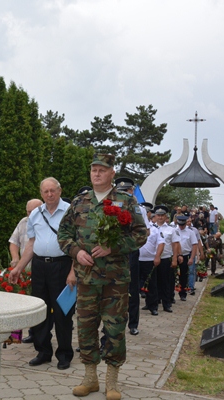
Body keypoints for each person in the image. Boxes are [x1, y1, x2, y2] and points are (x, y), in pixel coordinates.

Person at [57, 154, 147, 400]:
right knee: (86, 326)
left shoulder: (125, 201)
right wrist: (76, 252)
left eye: (101, 170)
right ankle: (90, 378)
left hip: (114, 279)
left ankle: (112, 381)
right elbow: (63, 233)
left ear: (111, 173)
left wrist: (113, 247)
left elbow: (141, 234)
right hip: (86, 278)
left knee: (115, 327)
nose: (96, 174)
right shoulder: (79, 202)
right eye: (93, 170)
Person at [9, 177, 76, 370]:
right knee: (40, 310)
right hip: (39, 267)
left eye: (52, 190)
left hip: (63, 267)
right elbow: (31, 244)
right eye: (45, 191)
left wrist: (74, 272)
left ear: (60, 190)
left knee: (64, 312)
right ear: (41, 194)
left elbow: (79, 244)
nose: (49, 194)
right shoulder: (36, 214)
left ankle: (64, 354)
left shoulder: (71, 212)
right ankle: (43, 351)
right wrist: (19, 267)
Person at [115, 178, 149, 337]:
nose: (122, 194)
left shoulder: (138, 208)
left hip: (130, 251)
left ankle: (133, 323)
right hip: (112, 251)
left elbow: (145, 232)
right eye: (119, 191)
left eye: (126, 191)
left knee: (132, 288)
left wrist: (128, 243)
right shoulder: (108, 205)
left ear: (131, 191)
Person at [8, 198, 43, 344]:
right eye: (27, 211)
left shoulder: (45, 222)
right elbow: (13, 242)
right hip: (23, 268)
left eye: (32, 211)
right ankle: (27, 333)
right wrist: (15, 258)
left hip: (40, 267)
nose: (29, 215)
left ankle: (39, 333)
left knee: (38, 302)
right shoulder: (23, 222)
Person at [153, 205, 180, 313]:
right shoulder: (151, 228)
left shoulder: (171, 229)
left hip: (165, 258)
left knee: (165, 283)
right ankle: (152, 304)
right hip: (152, 258)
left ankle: (166, 304)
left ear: (165, 217)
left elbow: (175, 244)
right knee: (153, 283)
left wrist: (175, 259)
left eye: (162, 215)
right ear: (155, 216)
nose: (160, 217)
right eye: (158, 215)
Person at [173, 215, 198, 301]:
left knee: (183, 275)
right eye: (180, 225)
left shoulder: (190, 232)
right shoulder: (174, 230)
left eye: (182, 225)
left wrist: (191, 258)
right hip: (174, 255)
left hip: (185, 255)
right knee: (172, 275)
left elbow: (194, 245)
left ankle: (183, 293)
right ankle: (171, 294)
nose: (181, 227)